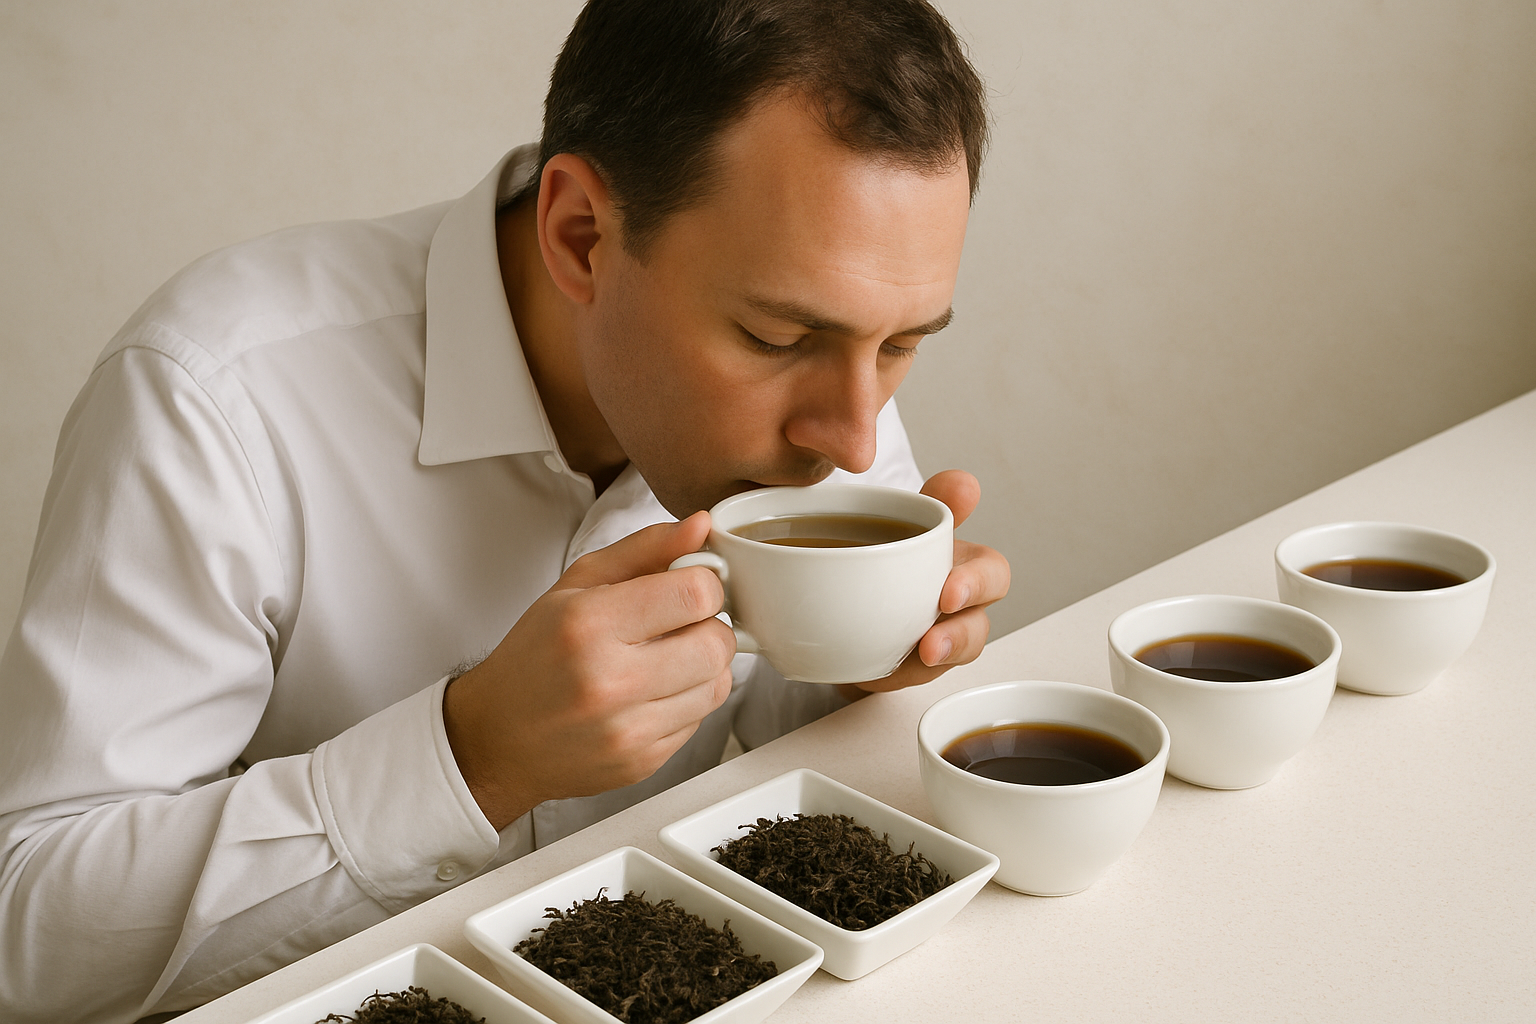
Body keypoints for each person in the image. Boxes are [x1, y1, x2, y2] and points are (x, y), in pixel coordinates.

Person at [0, 1, 1009, 1020]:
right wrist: (468, 756)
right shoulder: (216, 394)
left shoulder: (827, 378)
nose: (854, 436)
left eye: (901, 344)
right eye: (776, 336)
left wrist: (867, 680)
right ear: (580, 236)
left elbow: (798, 747)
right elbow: (26, 938)